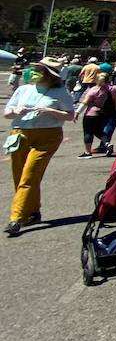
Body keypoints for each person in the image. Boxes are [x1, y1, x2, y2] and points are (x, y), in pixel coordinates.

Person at [4, 57, 77, 235]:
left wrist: (51, 111)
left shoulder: (61, 92)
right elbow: (7, 113)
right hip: (20, 134)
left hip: (48, 136)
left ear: (51, 75)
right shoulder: (23, 89)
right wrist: (14, 111)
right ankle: (33, 212)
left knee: (29, 175)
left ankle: (17, 218)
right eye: (36, 68)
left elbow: (70, 116)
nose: (35, 72)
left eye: (41, 70)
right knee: (20, 175)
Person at [77, 72, 116, 157]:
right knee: (98, 131)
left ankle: (87, 152)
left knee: (88, 132)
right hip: (104, 113)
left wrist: (77, 112)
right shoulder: (114, 89)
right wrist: (113, 111)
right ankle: (107, 143)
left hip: (91, 113)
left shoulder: (94, 90)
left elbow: (85, 103)